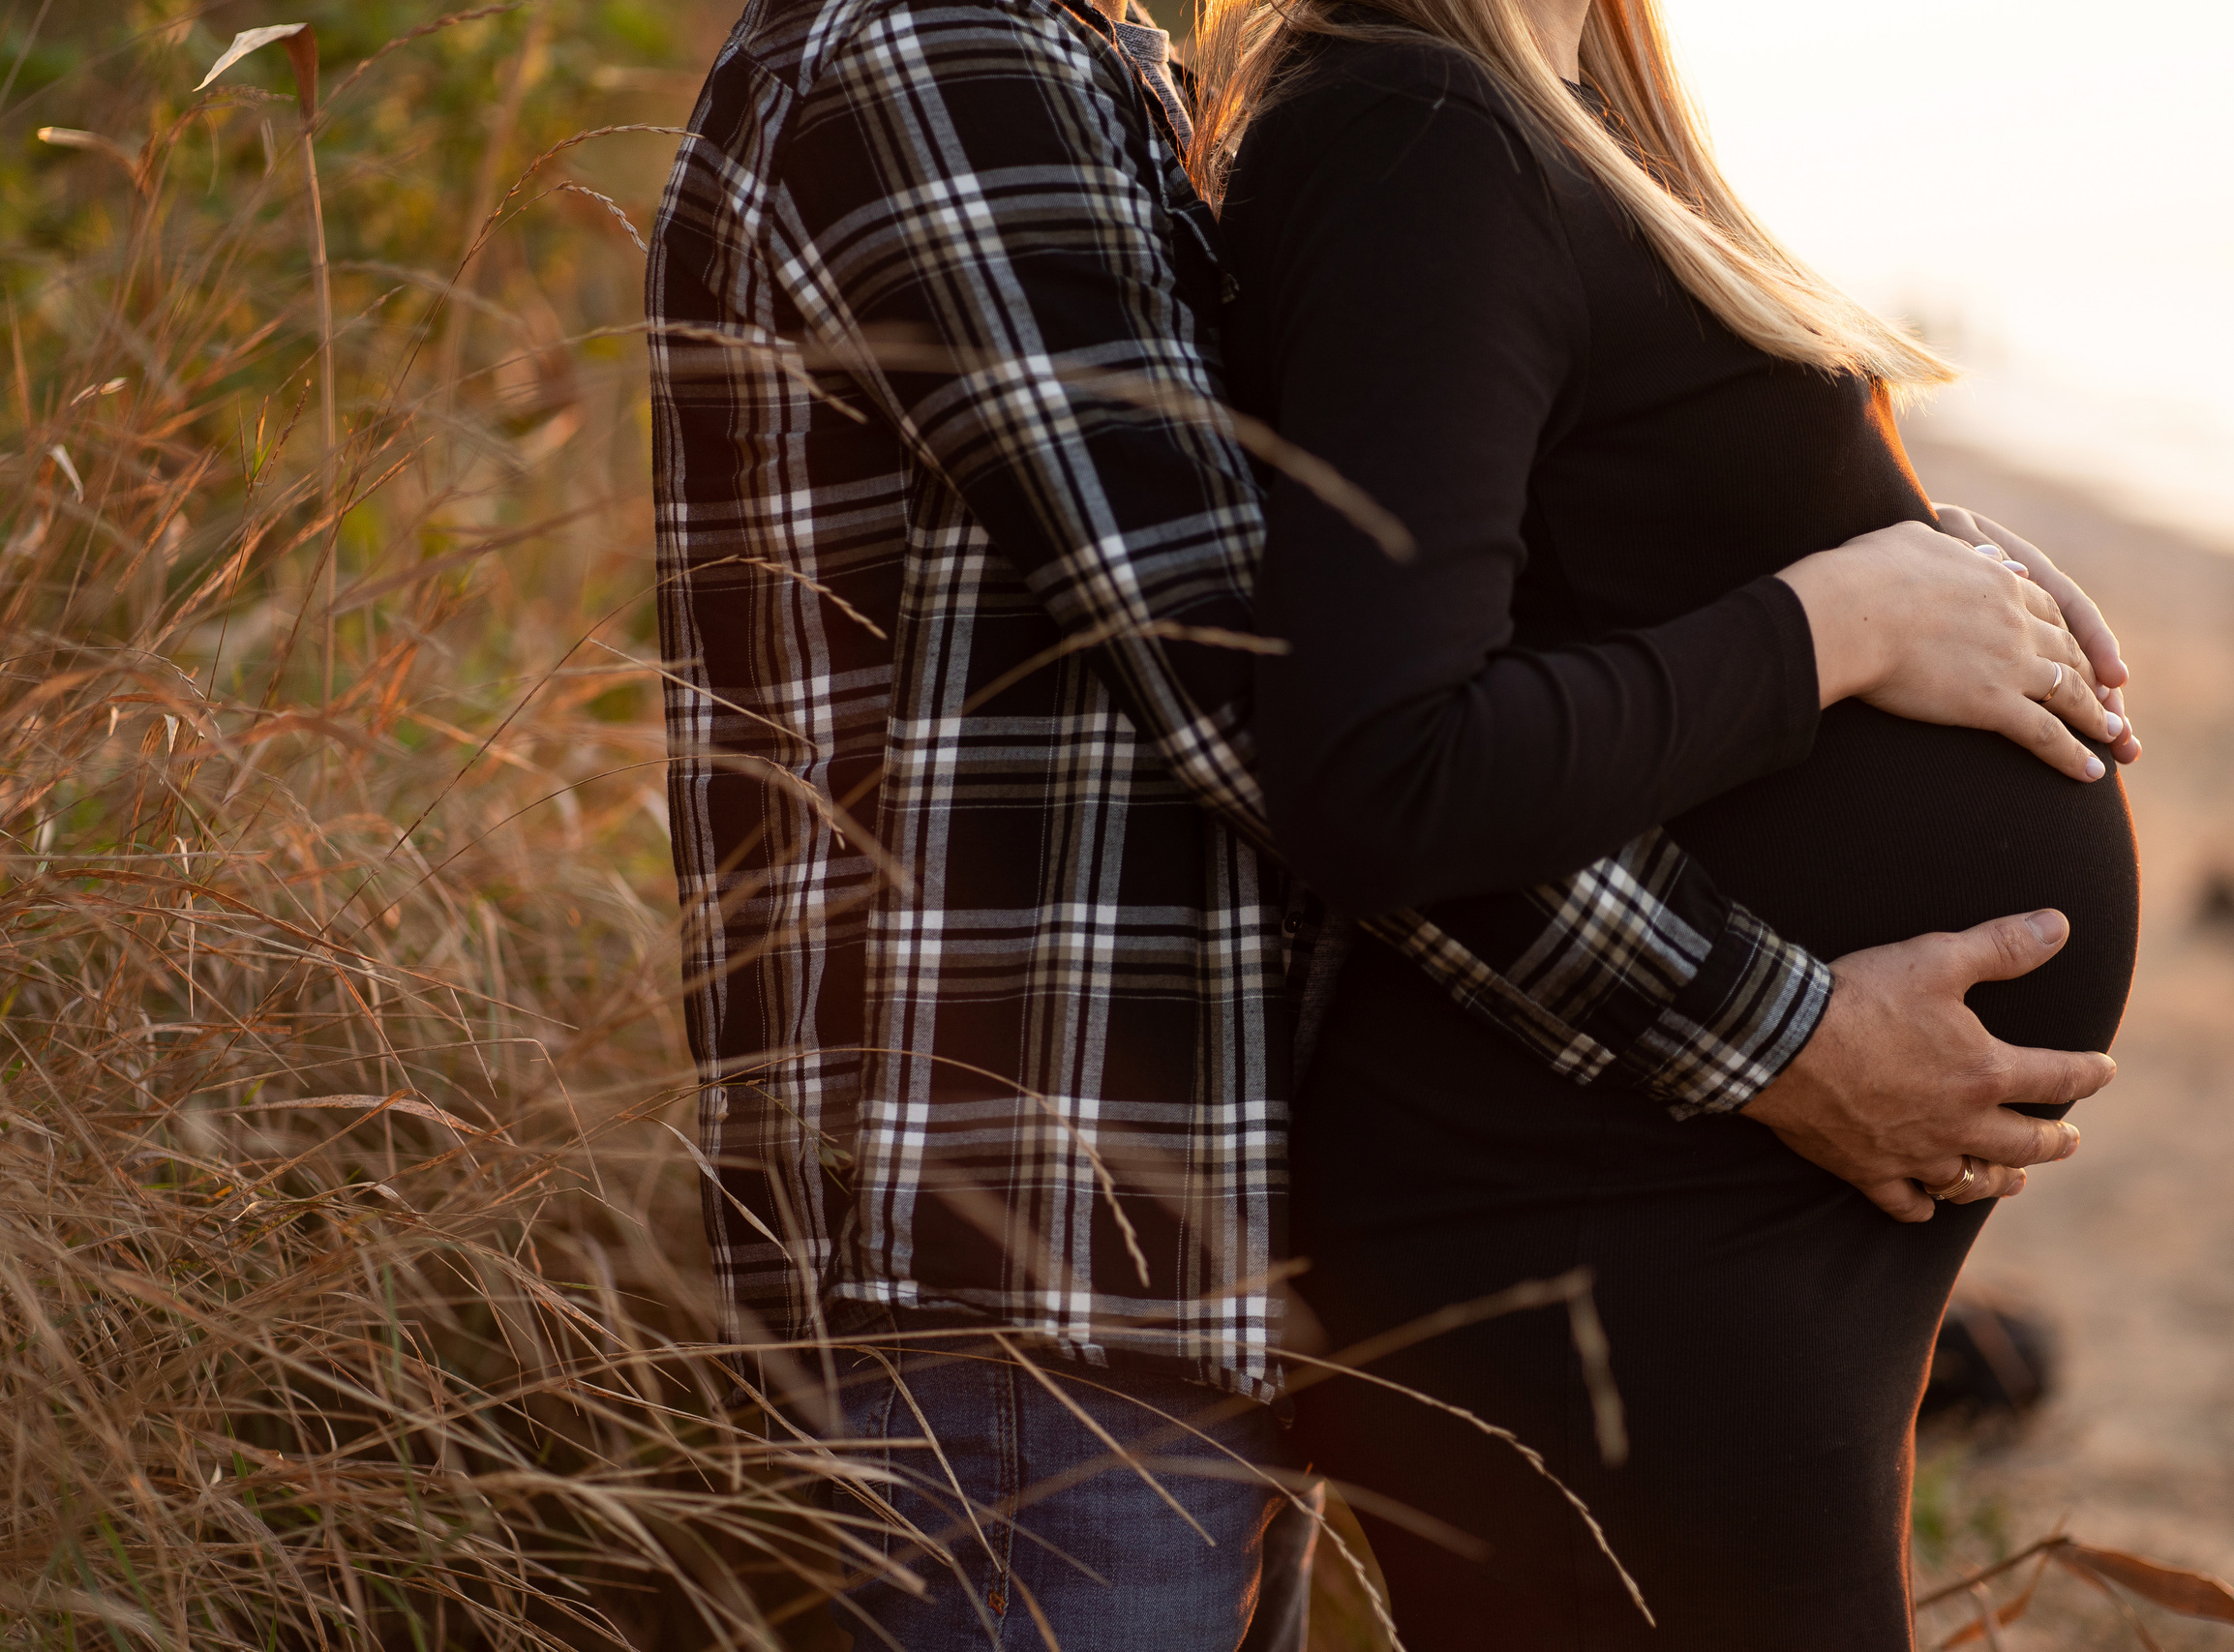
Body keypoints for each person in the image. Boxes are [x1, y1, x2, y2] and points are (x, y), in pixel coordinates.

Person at [646, 0, 2133, 1642]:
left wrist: (1908, 562)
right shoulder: (933, 60)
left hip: (1176, 1227)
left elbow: (1429, 565)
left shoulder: (1109, 71)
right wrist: (1780, 1022)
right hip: (1021, 1251)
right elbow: (1287, 716)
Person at [1196, 0, 2142, 1643]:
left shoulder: (1556, 104)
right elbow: (1388, 762)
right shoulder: (1417, 125)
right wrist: (1846, 616)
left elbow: (1603, 540)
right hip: (1604, 1219)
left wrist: (1931, 560)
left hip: (1704, 1224)